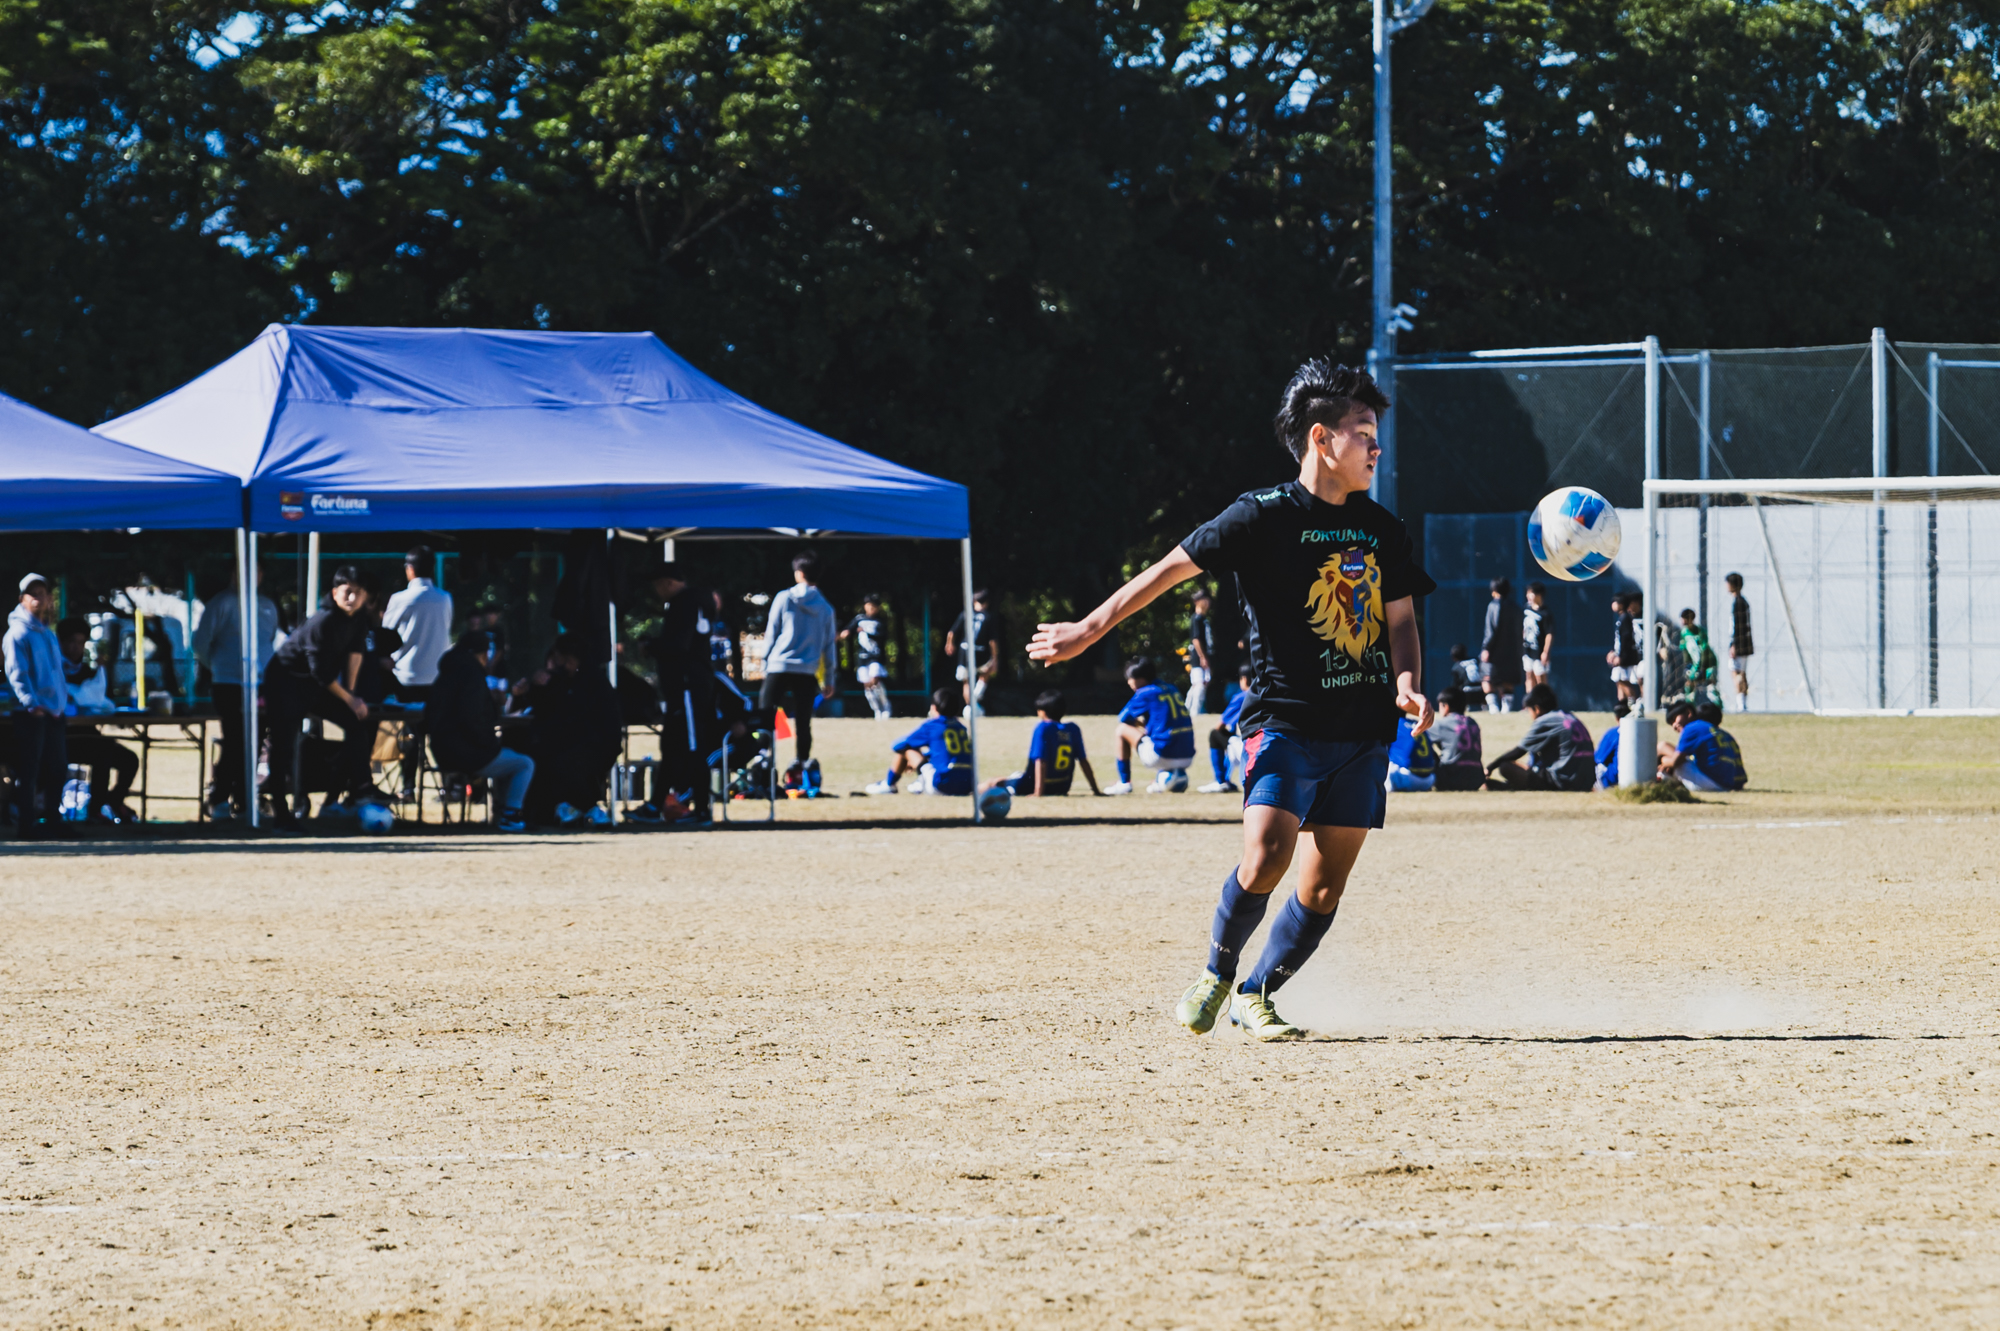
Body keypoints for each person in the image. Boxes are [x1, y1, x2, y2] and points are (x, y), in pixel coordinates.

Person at [1029, 359, 1436, 1042]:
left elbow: (1400, 620)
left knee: (1323, 888)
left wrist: (1407, 683)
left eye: (1376, 435)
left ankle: (1257, 993)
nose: (1376, 448)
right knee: (1267, 852)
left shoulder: (1382, 529)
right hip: (1284, 719)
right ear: (1321, 439)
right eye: (1364, 433)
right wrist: (1088, 629)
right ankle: (1217, 973)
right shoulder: (1259, 515)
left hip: (1363, 729)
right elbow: (1167, 571)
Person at [263, 564, 376, 828]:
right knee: (283, 745)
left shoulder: (359, 619)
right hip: (286, 682)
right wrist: (349, 699)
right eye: (347, 591)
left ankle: (358, 790)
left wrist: (351, 696)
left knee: (355, 723)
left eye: (359, 592)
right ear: (335, 593)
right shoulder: (322, 621)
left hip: (315, 686)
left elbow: (355, 655)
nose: (353, 597)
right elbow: (321, 674)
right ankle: (281, 813)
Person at [191, 565, 279, 819]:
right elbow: (201, 644)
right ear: (234, 574)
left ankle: (245, 800)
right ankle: (219, 798)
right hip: (229, 684)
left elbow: (269, 639)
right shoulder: (221, 604)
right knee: (235, 741)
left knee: (256, 741)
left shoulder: (268, 606)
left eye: (258, 572)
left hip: (260, 685)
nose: (252, 577)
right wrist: (220, 667)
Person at [633, 562, 717, 825]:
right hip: (684, 688)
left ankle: (701, 809)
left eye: (658, 585)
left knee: (694, 747)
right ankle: (655, 805)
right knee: (671, 747)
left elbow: (679, 645)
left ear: (668, 583)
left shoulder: (683, 604)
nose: (657, 592)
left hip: (688, 686)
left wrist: (652, 646)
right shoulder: (698, 601)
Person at [427, 629, 533, 832]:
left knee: (509, 759)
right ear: (483, 654)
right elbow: (474, 720)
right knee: (524, 763)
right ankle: (510, 815)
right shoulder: (473, 677)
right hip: (469, 754)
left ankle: (501, 811)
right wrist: (489, 743)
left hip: (442, 752)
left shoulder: (446, 674)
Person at [515, 634, 624, 826]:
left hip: (597, 745)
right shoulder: (564, 680)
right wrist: (536, 688)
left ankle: (584, 808)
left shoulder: (592, 683)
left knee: (563, 763)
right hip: (572, 743)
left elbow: (572, 718)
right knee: (543, 757)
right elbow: (547, 709)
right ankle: (567, 810)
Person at [759, 551, 837, 793]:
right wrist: (829, 678)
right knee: (803, 722)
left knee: (764, 716)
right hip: (807, 669)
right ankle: (802, 766)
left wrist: (765, 662)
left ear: (799, 573)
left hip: (779, 666)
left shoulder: (784, 598)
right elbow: (829, 646)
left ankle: (762, 760)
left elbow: (772, 632)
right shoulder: (826, 608)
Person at [56, 618, 138, 823]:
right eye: (72, 642)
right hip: (62, 737)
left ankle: (112, 801)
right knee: (102, 754)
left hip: (90, 735)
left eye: (81, 642)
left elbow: (105, 703)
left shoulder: (90, 672)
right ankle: (93, 811)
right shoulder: (53, 672)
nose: (76, 648)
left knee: (129, 759)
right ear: (61, 643)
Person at [5, 575, 66, 837]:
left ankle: (53, 821)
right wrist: (31, 704)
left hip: (53, 712)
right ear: (22, 600)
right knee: (29, 771)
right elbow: (17, 673)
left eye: (43, 593)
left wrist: (60, 703)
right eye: (33, 594)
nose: (39, 598)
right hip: (32, 714)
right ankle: (26, 825)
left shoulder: (48, 634)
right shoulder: (17, 633)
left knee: (57, 768)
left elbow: (56, 673)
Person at [985, 689, 1100, 798]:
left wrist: (1038, 792)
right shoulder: (1073, 729)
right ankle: (1016, 776)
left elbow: (1041, 760)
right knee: (1015, 777)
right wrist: (1096, 790)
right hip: (1062, 787)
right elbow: (1083, 761)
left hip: (1030, 785)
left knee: (994, 782)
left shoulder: (1043, 728)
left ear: (1041, 712)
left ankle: (975, 792)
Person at [1484, 683, 1596, 791]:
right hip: (1586, 782)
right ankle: (1504, 786)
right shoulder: (1570, 716)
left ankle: (1502, 786)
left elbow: (1519, 751)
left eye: (1529, 711)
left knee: (1505, 767)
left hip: (1563, 781)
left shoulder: (1546, 720)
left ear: (1537, 709)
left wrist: (1490, 767)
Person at [1110, 656, 1196, 794]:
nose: (1129, 682)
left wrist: (1140, 725)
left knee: (1121, 730)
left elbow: (1123, 718)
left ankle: (1124, 783)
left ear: (1141, 679)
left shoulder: (1145, 692)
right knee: (1160, 734)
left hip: (1163, 755)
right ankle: (1161, 780)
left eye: (1130, 678)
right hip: (1188, 756)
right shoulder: (1171, 688)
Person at [865, 687, 974, 795]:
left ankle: (889, 785)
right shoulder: (961, 728)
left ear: (933, 707)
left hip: (941, 784)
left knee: (907, 750)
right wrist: (925, 756)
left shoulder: (932, 725)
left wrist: (914, 758)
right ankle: (920, 782)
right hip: (967, 785)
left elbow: (897, 745)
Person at [381, 546, 452, 701]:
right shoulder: (445, 598)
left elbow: (384, 635)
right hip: (437, 676)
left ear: (410, 569)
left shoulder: (399, 599)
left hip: (405, 676)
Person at [1657, 699, 1748, 792]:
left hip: (1713, 782)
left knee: (1662, 746)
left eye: (1674, 719)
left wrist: (1663, 762)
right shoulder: (1723, 733)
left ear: (1688, 713)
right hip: (1732, 784)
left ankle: (1650, 779)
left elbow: (1675, 762)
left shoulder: (1691, 728)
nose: (1674, 726)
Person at [1198, 662, 1254, 793]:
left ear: (1244, 679)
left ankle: (1220, 781)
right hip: (1272, 745)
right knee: (1231, 739)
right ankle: (1226, 781)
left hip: (1250, 749)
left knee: (1215, 735)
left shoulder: (1242, 697)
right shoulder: (1268, 695)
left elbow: (1220, 725)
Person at [945, 589, 1000, 715]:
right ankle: (976, 696)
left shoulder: (965, 614)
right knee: (986, 672)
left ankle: (970, 707)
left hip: (965, 651)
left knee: (966, 681)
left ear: (974, 601)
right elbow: (992, 641)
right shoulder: (988, 617)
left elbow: (952, 632)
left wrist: (949, 644)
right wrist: (995, 658)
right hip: (981, 651)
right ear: (987, 603)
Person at [840, 594, 893, 721]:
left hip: (876, 656)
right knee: (867, 685)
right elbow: (848, 630)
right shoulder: (859, 619)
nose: (871, 608)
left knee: (875, 680)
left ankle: (886, 706)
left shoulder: (880, 621)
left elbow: (883, 636)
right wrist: (843, 634)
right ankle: (876, 710)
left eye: (874, 605)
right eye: (869, 605)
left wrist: (867, 632)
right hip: (862, 657)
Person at [1480, 577, 1524, 712]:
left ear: (1494, 590)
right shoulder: (1516, 608)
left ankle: (1493, 708)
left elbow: (1491, 630)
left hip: (1495, 651)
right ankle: (1507, 709)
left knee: (1487, 678)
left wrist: (1486, 648)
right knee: (1508, 680)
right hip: (1513, 651)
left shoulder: (1493, 606)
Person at [1428, 687, 1484, 790]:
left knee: (1423, 745)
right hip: (1476, 779)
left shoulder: (1442, 724)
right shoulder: (1473, 723)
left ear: (1445, 706)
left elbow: (1416, 737)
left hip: (1450, 778)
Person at [1385, 712, 1437, 792]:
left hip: (1406, 778)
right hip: (1429, 779)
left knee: (1380, 755)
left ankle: (1386, 789)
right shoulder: (1416, 723)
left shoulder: (1392, 724)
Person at [1606, 591, 1642, 709]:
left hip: (1625, 658)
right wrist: (1614, 653)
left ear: (1621, 604)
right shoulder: (1621, 619)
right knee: (1618, 682)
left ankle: (1634, 704)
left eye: (1615, 602)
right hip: (1621, 655)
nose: (1613, 604)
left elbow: (1626, 640)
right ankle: (1622, 707)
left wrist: (1620, 657)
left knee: (1623, 681)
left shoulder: (1626, 618)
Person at [1725, 571, 1753, 712]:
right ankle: (1742, 703)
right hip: (1743, 643)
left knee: (1736, 672)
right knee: (1741, 671)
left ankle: (1741, 704)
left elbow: (1738, 626)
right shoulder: (1742, 602)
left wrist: (1734, 645)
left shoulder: (1738, 603)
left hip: (1739, 643)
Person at [1186, 588, 1216, 716]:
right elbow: (1196, 639)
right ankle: (1194, 712)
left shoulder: (1203, 619)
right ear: (1197, 601)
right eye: (1205, 599)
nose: (1208, 602)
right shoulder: (1196, 618)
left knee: (1198, 684)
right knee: (1199, 684)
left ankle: (1187, 709)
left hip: (1205, 656)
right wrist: (1202, 657)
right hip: (1198, 657)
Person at [1678, 607, 1718, 704]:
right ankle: (1690, 707)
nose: (1682, 621)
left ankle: (1717, 707)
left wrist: (1703, 669)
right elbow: (1685, 650)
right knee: (1689, 686)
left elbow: (1705, 650)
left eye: (1684, 619)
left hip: (1707, 664)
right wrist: (1687, 665)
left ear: (1690, 619)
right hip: (1694, 665)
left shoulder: (1700, 632)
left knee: (1711, 686)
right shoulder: (1684, 633)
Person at [1593, 699, 1630, 790]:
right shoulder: (1641, 733)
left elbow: (1597, 759)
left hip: (1612, 780)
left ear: (1616, 718)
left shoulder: (1613, 733)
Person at [1522, 581, 1553, 688]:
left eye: (1531, 593)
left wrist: (1545, 652)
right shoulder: (1526, 609)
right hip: (1527, 650)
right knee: (1529, 675)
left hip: (1539, 652)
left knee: (1541, 678)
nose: (1528, 596)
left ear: (1539, 595)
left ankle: (1542, 698)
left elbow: (1549, 633)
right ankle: (1530, 698)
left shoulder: (1545, 613)